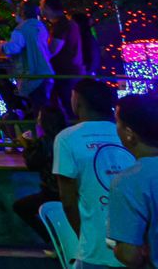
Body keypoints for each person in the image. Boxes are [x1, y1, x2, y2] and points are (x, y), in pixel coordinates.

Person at [54, 77, 135, 267]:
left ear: (77, 101)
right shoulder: (130, 133)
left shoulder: (66, 138)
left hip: (94, 250)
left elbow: (67, 200)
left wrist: (84, 236)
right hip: (136, 247)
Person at [108, 92, 158, 268]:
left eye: (117, 122)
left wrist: (116, 247)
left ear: (129, 133)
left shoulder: (129, 181)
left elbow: (129, 256)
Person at [13, 103, 68, 246]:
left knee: (20, 207)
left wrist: (25, 146)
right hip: (72, 191)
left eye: (39, 118)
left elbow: (32, 164)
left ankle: (52, 240)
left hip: (51, 193)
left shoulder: (44, 142)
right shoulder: (67, 137)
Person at [0, 1, 53, 113]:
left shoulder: (21, 29)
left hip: (32, 75)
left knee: (37, 110)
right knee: (45, 107)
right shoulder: (40, 26)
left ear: (23, 12)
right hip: (46, 72)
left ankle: (41, 129)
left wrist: (3, 46)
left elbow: (15, 47)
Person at [43, 0, 87, 115]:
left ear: (48, 8)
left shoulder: (60, 25)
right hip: (73, 71)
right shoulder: (68, 23)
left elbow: (52, 49)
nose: (40, 10)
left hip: (65, 74)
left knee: (68, 109)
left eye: (42, 6)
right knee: (73, 108)